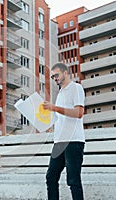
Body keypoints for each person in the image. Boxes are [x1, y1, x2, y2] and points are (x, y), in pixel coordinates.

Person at [43, 62, 85, 200]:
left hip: (73, 140)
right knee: (51, 177)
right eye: (53, 76)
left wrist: (54, 108)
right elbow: (62, 115)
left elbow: (79, 112)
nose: (54, 78)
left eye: (56, 75)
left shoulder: (76, 88)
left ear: (65, 73)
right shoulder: (60, 93)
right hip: (59, 141)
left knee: (73, 180)